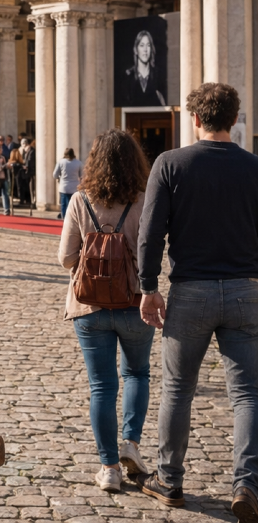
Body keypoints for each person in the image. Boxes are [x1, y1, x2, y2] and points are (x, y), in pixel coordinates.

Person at [137, 83, 258, 515]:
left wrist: (148, 287)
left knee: (177, 389)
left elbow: (151, 232)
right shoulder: (253, 167)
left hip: (190, 291)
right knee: (247, 395)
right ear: (234, 119)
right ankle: (247, 485)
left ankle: (169, 480)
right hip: (245, 290)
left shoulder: (171, 163)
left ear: (194, 119)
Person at [59, 128, 153, 494]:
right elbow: (153, 253)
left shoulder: (80, 200)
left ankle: (109, 467)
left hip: (90, 305)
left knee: (101, 386)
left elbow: (65, 258)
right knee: (137, 374)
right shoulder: (144, 199)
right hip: (134, 302)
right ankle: (131, 443)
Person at [121, 30, 166, 107]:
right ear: (136, 50)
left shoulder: (159, 75)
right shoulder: (128, 76)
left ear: (151, 49)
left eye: (148, 45)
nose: (145, 50)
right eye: (142, 45)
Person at [54, 148, 84, 219]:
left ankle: (65, 220)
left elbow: (55, 175)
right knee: (73, 205)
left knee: (64, 205)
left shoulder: (61, 162)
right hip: (74, 187)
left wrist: (59, 177)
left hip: (64, 187)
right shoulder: (78, 163)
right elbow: (82, 175)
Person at [19, 138, 35, 206]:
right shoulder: (25, 151)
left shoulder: (31, 151)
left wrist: (26, 166)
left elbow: (30, 160)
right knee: (29, 187)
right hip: (27, 172)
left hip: (31, 172)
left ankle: (32, 201)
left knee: (32, 188)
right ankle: (30, 201)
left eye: (24, 145)